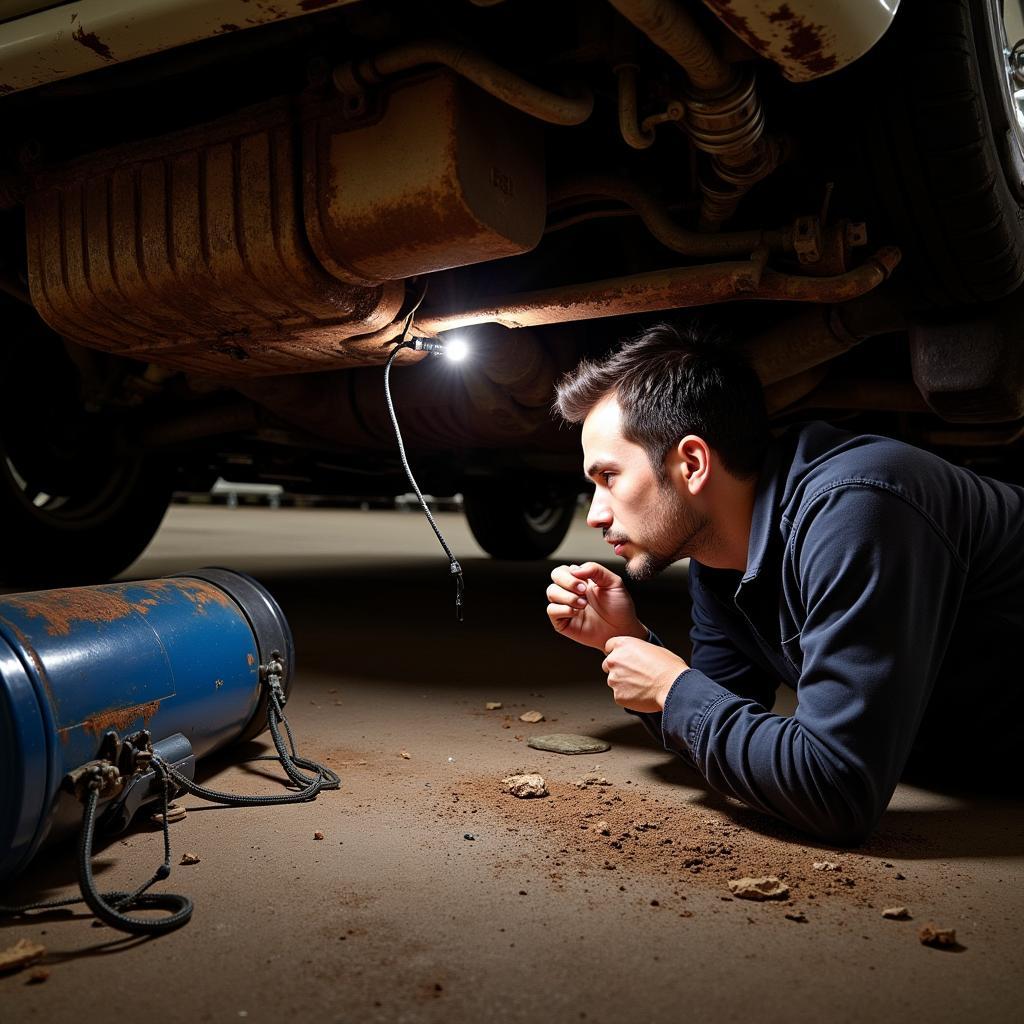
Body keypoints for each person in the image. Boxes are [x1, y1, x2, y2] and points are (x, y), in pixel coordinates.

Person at [545, 321, 1024, 844]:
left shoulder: (859, 506)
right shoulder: (719, 554)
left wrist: (671, 687)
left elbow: (834, 792)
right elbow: (718, 728)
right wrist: (630, 642)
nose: (594, 514)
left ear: (692, 463)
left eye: (608, 477)